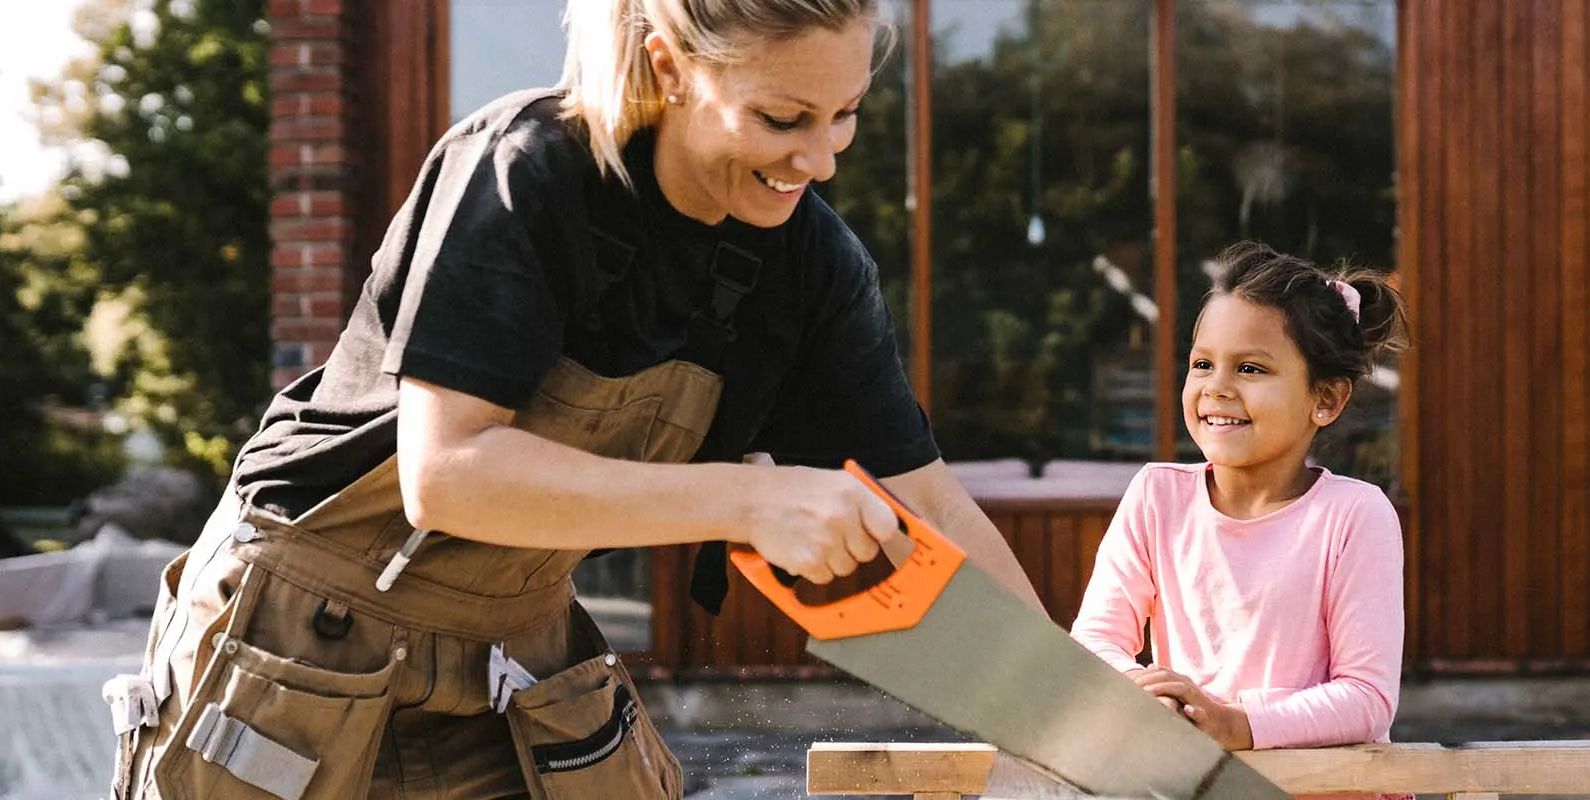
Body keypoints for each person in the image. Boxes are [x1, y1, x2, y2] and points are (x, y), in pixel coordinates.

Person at [102, 0, 1042, 795]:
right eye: (782, 119)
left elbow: (928, 501)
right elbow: (449, 475)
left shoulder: (813, 268)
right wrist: (752, 501)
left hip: (511, 642)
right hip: (295, 630)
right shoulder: (526, 170)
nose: (822, 158)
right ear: (671, 68)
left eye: (846, 116)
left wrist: (1075, 687)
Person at [1069, 241, 1408, 766]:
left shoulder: (1354, 516)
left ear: (1327, 399)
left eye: (1250, 369)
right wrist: (1139, 688)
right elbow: (1094, 640)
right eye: (1202, 363)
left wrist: (1236, 724)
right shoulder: (1157, 496)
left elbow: (1368, 699)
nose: (1217, 388)